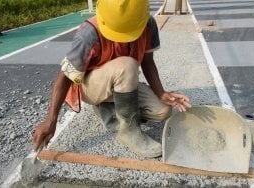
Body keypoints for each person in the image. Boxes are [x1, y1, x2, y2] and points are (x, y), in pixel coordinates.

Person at [32, 0, 191, 158]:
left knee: (163, 110)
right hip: (91, 85)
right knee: (127, 65)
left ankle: (111, 110)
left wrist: (161, 93)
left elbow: (148, 61)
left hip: (122, 79)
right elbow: (65, 75)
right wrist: (51, 120)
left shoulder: (147, 24)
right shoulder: (89, 33)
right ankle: (129, 131)